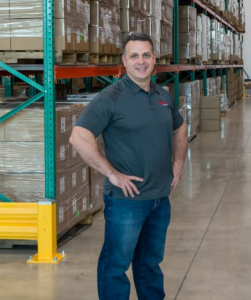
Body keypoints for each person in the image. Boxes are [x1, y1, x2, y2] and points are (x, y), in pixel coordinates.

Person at [69, 33, 188, 300]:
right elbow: (79, 136)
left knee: (150, 265)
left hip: (160, 198)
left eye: (146, 55)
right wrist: (112, 174)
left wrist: (178, 165)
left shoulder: (164, 96)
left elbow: (179, 129)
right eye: (134, 56)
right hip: (127, 200)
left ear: (154, 59)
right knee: (115, 266)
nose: (141, 61)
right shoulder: (111, 97)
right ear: (124, 61)